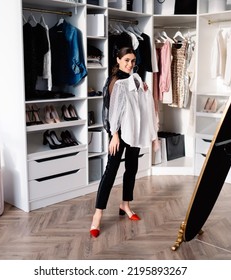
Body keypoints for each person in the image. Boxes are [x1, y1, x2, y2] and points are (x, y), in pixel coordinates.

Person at [90, 47, 157, 238]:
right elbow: (112, 111)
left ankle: (125, 204)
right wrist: (114, 135)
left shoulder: (134, 79)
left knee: (132, 168)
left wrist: (143, 90)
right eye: (126, 60)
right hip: (118, 134)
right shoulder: (115, 82)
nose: (130, 64)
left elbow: (138, 106)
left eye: (133, 61)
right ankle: (97, 215)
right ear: (118, 60)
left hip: (133, 131)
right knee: (110, 172)